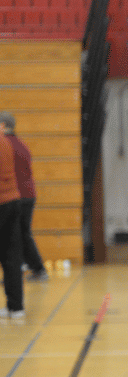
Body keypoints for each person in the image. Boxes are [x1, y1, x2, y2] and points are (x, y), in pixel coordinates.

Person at [1, 112, 48, 281]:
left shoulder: (6, 144)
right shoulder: (21, 144)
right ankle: (28, 270)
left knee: (17, 235)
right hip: (27, 194)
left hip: (17, 196)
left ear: (4, 126)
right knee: (21, 234)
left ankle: (36, 269)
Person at [0, 129, 24, 320]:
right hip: (12, 200)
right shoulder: (5, 140)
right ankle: (16, 307)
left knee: (9, 257)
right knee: (11, 257)